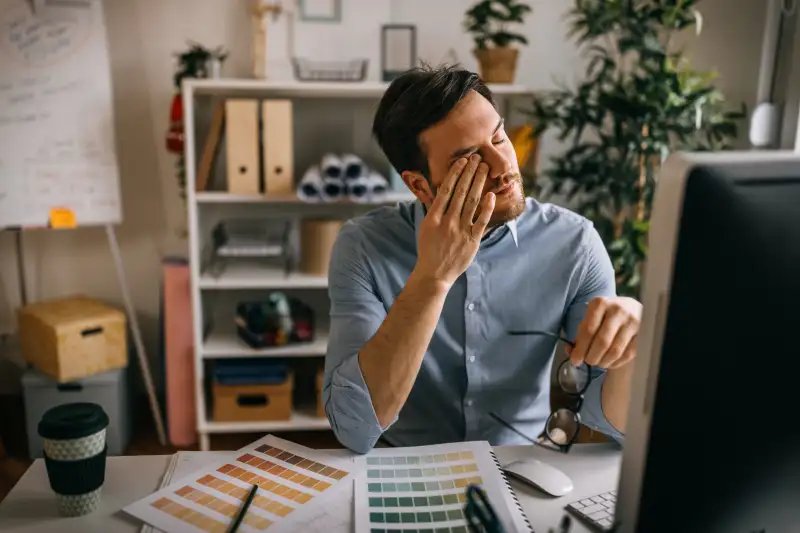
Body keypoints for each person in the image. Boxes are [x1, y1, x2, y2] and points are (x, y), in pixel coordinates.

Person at [322, 65, 642, 454]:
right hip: (402, 463)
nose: (503, 165)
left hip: (523, 462)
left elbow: (610, 423)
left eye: (499, 137)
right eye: (471, 158)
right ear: (420, 184)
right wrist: (433, 279)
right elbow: (353, 429)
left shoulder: (574, 243)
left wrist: (631, 347)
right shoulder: (364, 246)